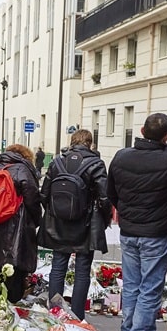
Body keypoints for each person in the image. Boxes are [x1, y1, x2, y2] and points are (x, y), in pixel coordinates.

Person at [107, 113, 167, 331]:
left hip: (130, 230)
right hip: (156, 232)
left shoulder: (121, 156)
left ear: (141, 130)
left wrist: (127, 211)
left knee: (131, 285)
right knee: (149, 287)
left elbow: (112, 192)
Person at [38, 129, 111, 319]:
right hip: (85, 225)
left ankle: (55, 312)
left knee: (57, 267)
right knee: (82, 271)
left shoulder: (57, 162)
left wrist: (57, 211)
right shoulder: (96, 164)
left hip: (59, 224)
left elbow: (44, 194)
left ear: (71, 142)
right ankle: (77, 316)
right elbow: (104, 197)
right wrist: (104, 218)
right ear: (90, 144)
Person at [0, 144, 42, 302]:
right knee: (12, 282)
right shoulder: (22, 170)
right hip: (15, 233)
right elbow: (33, 200)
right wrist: (36, 222)